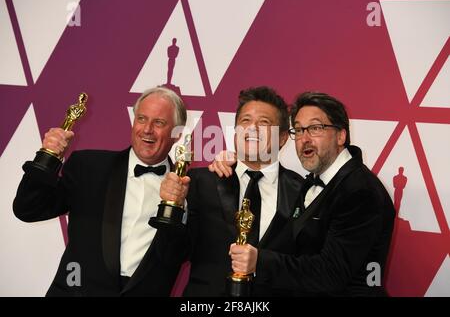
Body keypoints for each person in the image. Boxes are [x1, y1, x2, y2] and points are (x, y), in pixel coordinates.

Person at [211, 91, 396, 296]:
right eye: (298, 130)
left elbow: (331, 274)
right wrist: (239, 161)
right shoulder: (311, 183)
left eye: (315, 128)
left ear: (341, 135)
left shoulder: (359, 191)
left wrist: (259, 262)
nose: (304, 139)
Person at [13, 86, 188, 296]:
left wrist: (179, 207)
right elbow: (28, 209)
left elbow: (186, 254)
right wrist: (47, 157)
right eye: (141, 119)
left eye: (159, 122)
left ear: (177, 133)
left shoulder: (191, 190)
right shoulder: (89, 167)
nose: (147, 129)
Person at [160, 86, 304, 296]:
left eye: (264, 122)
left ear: (282, 138)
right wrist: (172, 208)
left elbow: (306, 266)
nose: (252, 128)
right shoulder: (200, 181)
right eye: (245, 121)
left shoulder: (302, 191)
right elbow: (173, 253)